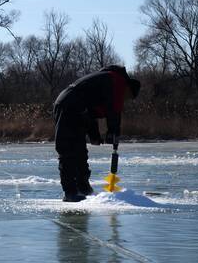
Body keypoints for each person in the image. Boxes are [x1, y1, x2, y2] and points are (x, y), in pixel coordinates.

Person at [53, 65, 140, 202]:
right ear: (127, 87)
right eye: (127, 96)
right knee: (68, 149)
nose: (125, 100)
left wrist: (94, 135)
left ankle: (83, 187)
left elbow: (90, 113)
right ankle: (70, 192)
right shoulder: (117, 81)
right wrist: (113, 131)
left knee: (80, 150)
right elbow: (114, 111)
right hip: (68, 105)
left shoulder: (108, 85)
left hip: (77, 108)